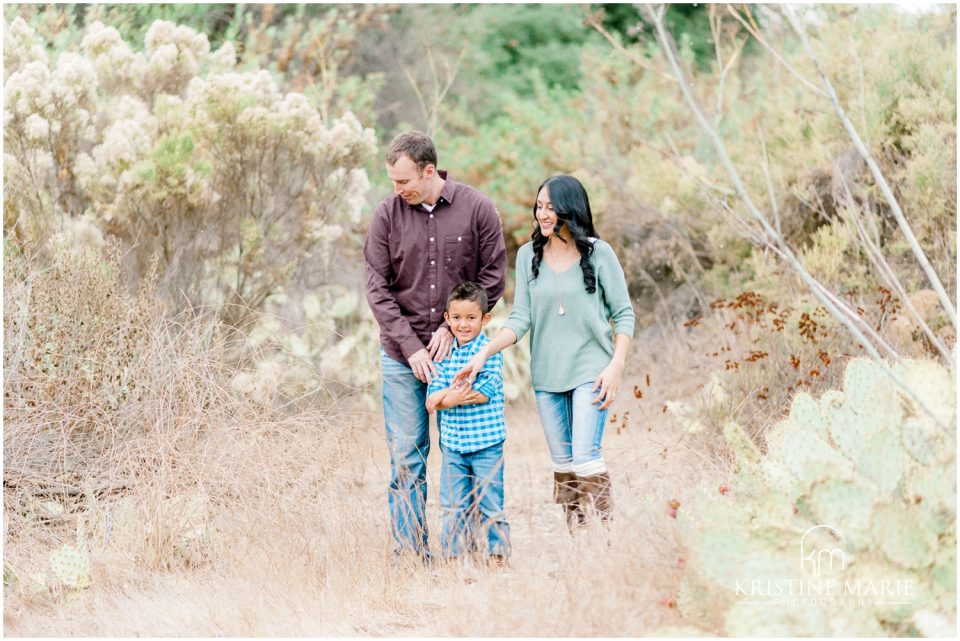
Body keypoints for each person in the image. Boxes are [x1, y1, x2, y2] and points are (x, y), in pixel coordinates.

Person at [453, 175, 634, 532]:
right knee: (564, 463)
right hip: (548, 376)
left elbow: (623, 313)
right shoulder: (528, 256)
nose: (543, 214)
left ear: (571, 208)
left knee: (585, 458)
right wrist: (482, 352)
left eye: (551, 207)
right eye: (539, 206)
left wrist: (616, 366)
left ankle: (607, 537)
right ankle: (579, 541)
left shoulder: (599, 253)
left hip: (591, 371)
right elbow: (520, 318)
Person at [364, 131, 506, 562]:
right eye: (391, 180)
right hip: (402, 358)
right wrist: (412, 347)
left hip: (460, 358)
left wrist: (450, 326)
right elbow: (377, 287)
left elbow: (493, 277)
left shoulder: (477, 209)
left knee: (463, 455)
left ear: (429, 172)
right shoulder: (386, 216)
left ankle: (465, 551)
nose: (396, 189)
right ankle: (410, 554)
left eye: (403, 180)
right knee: (407, 459)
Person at [426, 282, 510, 566]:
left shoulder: (489, 351)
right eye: (458, 318)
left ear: (485, 319)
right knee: (452, 505)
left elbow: (482, 393)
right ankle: (453, 557)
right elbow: (430, 400)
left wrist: (446, 398)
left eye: (471, 318)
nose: (464, 324)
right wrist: (447, 398)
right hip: (453, 446)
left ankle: (498, 555)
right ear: (447, 319)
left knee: (490, 503)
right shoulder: (445, 355)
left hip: (487, 444)